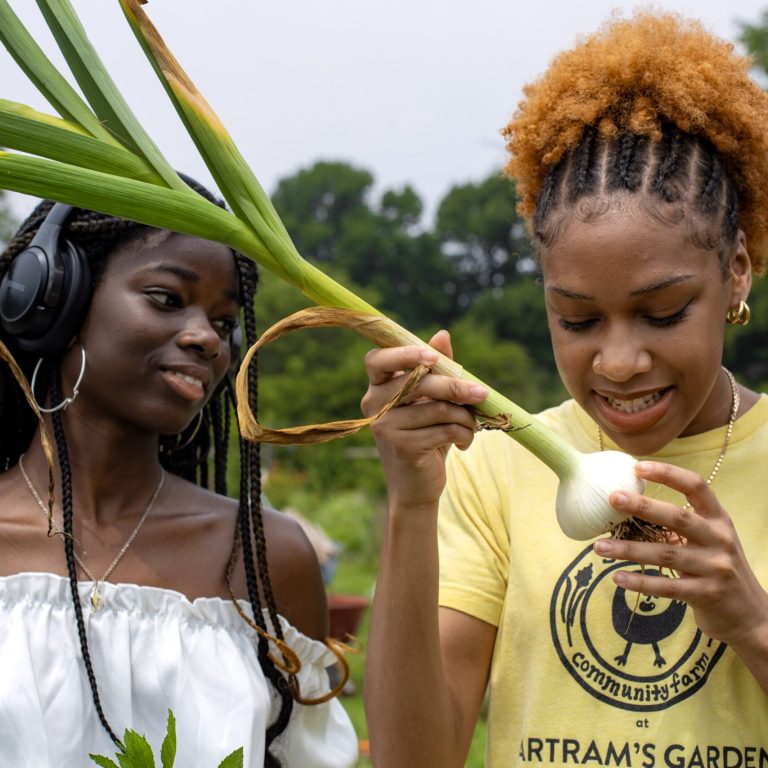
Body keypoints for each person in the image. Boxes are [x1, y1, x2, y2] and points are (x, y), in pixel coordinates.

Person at [361, 12, 768, 767]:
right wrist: (412, 505)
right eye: (577, 319)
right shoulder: (491, 470)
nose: (617, 362)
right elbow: (414, 759)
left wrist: (751, 622)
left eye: (663, 312)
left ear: (737, 269)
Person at [0, 178, 357, 767]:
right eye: (167, 298)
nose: (205, 340)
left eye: (223, 323)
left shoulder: (266, 559)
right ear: (56, 299)